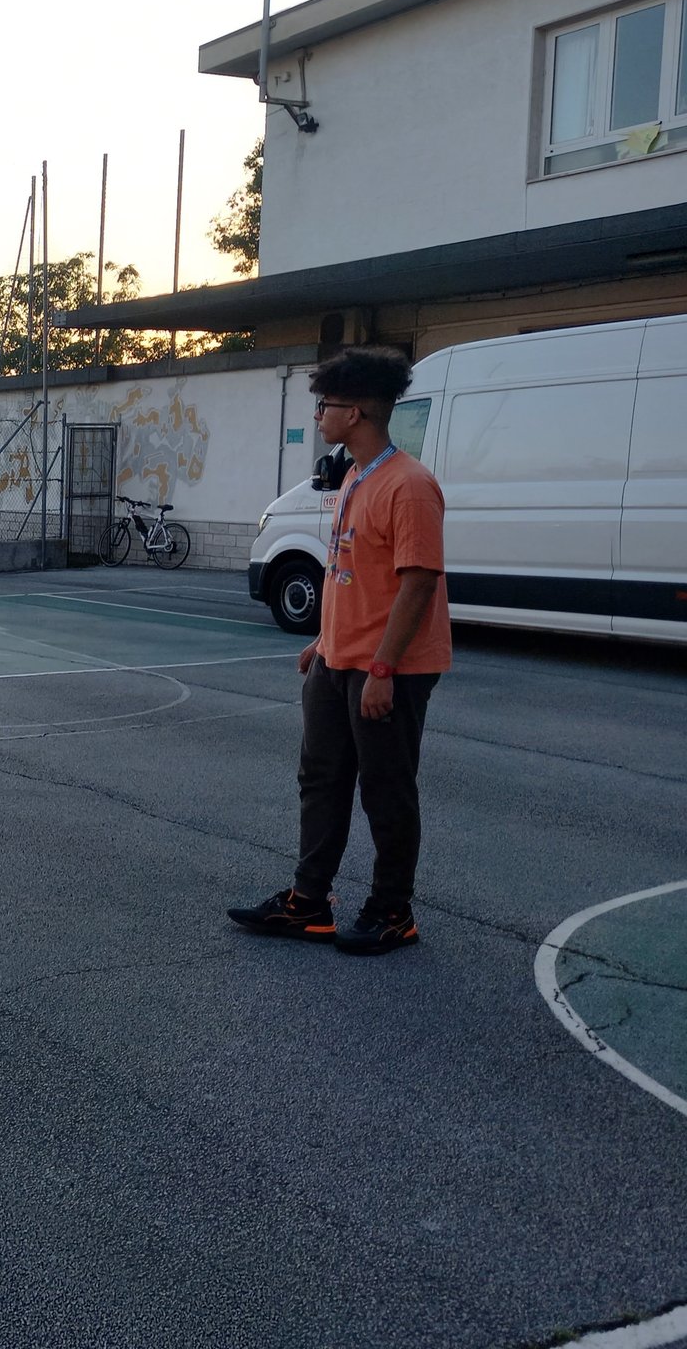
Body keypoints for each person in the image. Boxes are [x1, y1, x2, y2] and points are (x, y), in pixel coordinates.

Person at [230, 346, 452, 956]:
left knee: (386, 788)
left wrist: (382, 668)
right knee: (321, 779)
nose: (318, 414)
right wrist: (324, 642)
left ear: (354, 412)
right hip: (337, 660)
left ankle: (392, 911)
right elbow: (352, 571)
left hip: (388, 667)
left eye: (324, 405)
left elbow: (418, 583)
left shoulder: (409, 486)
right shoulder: (355, 476)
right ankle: (308, 903)